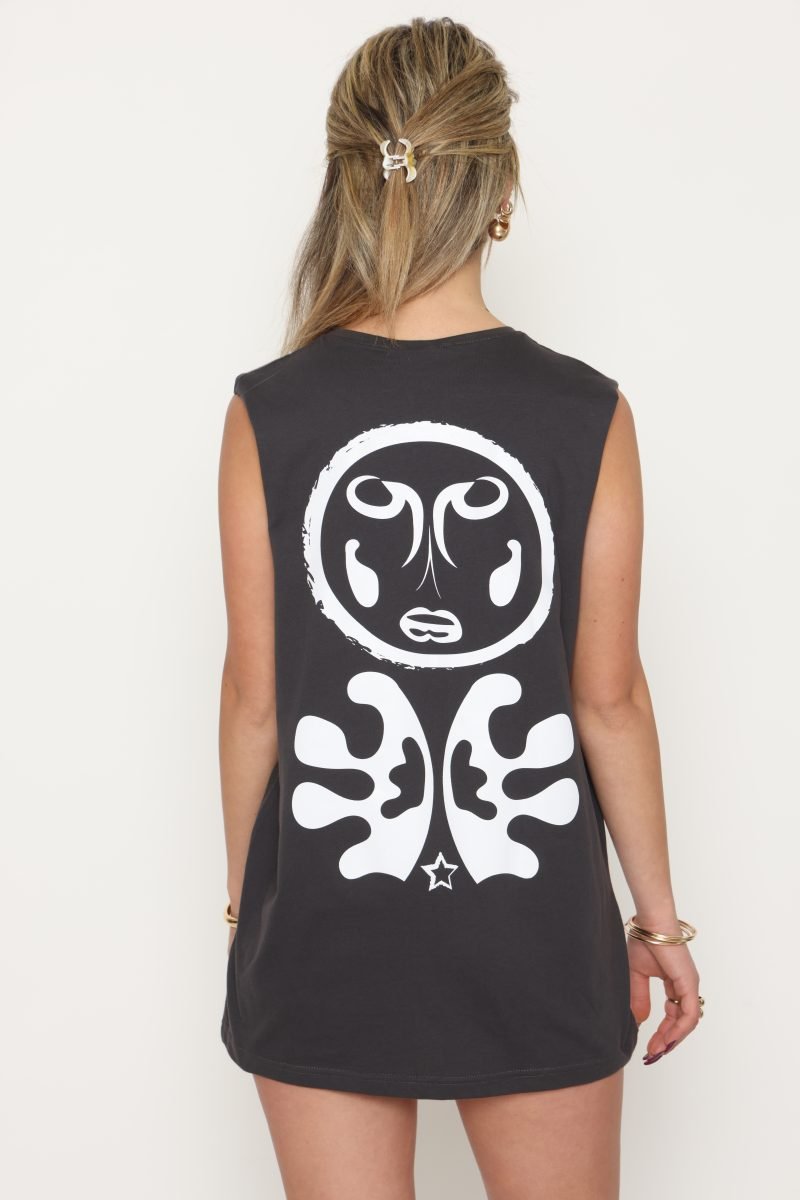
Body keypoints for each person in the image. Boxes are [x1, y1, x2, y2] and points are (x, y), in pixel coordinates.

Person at [216, 16, 702, 1199]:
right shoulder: (585, 413)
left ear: (347, 180)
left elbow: (254, 702)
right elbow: (607, 699)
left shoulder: (267, 411)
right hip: (530, 921)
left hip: (325, 919)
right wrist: (656, 925)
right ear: (498, 191)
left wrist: (250, 914)